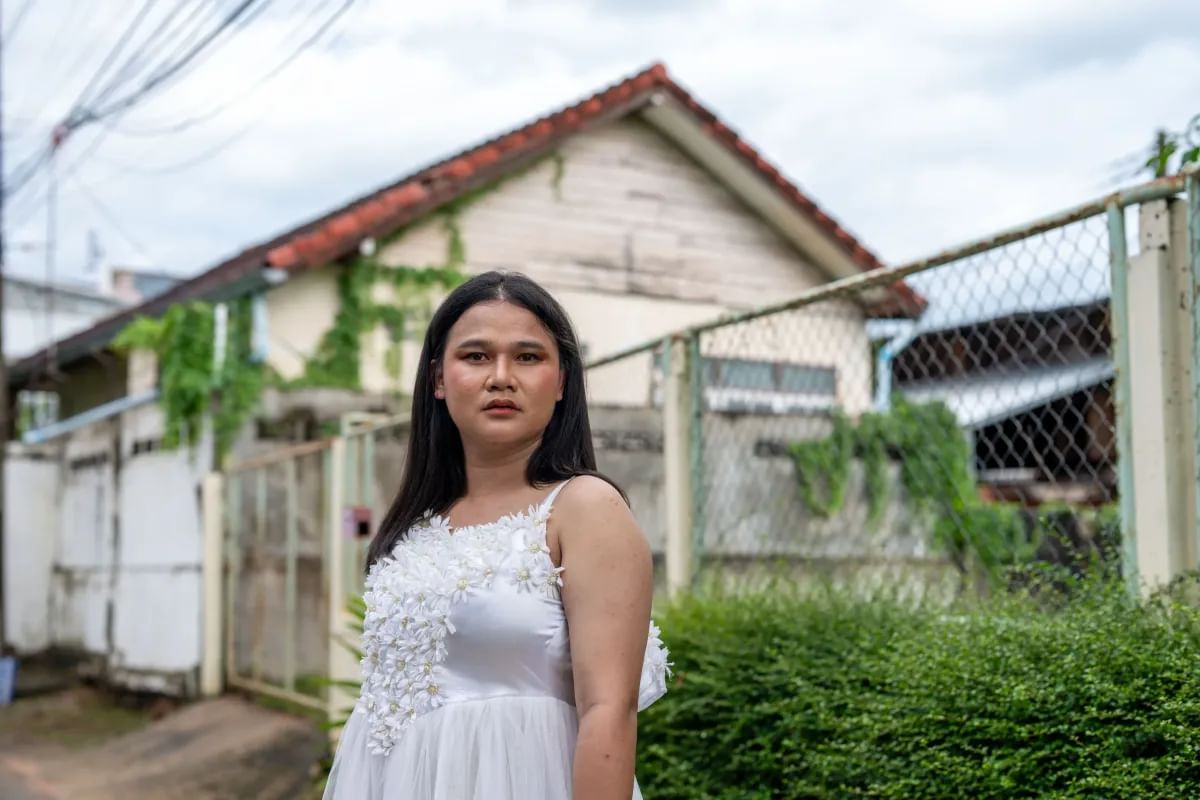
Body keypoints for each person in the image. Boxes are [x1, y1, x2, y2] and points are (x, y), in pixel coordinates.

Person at [323, 270, 670, 799]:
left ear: (561, 383)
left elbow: (608, 710)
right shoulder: (417, 526)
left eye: (528, 357)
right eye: (476, 356)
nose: (501, 376)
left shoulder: (583, 509)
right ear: (439, 379)